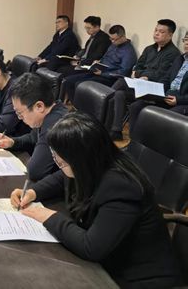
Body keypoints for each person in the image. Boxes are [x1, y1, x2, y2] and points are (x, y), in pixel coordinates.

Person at [12, 112, 180, 288]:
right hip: (106, 260)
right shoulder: (95, 161)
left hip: (135, 278)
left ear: (81, 160)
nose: (59, 164)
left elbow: (91, 248)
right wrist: (33, 192)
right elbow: (63, 177)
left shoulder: (122, 186)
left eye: (62, 161)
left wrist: (48, 216)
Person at [108, 19, 181, 139]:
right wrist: (141, 74)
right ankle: (116, 131)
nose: (156, 33)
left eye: (161, 32)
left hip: (154, 89)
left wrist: (144, 76)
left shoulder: (173, 53)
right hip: (140, 85)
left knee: (121, 83)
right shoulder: (149, 49)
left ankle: (102, 107)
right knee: (119, 94)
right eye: (156, 30)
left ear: (170, 35)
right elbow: (137, 66)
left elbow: (160, 75)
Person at [0, 72, 68, 181]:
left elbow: (35, 171)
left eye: (20, 113)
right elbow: (33, 137)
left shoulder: (55, 124)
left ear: (39, 106)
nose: (20, 118)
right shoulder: (53, 110)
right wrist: (12, 142)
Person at [61, 25, 137, 102]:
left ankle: (80, 107)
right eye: (111, 39)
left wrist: (102, 73)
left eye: (114, 39)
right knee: (68, 81)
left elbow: (122, 73)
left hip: (109, 78)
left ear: (123, 36)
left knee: (79, 84)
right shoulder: (113, 45)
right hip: (98, 71)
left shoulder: (128, 52)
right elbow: (105, 57)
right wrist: (98, 62)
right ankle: (75, 105)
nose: (112, 41)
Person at [129, 31, 188, 127]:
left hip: (182, 102)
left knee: (166, 116)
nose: (186, 43)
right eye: (185, 40)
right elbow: (167, 78)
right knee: (136, 106)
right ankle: (135, 137)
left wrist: (179, 100)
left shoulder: (173, 53)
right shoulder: (180, 59)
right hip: (168, 96)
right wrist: (156, 91)